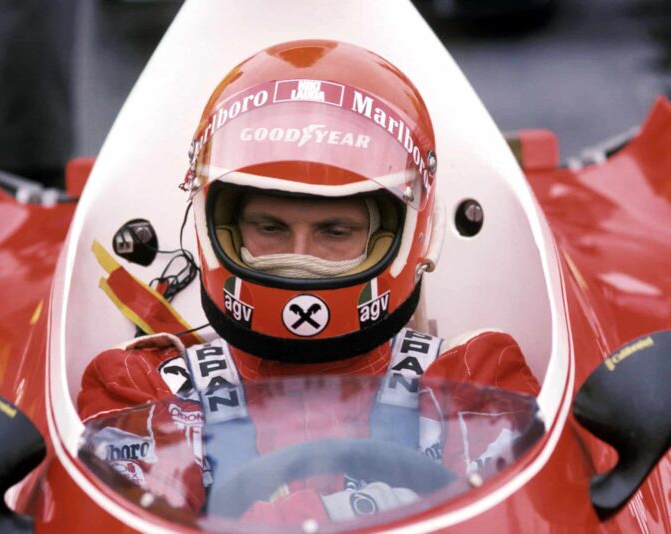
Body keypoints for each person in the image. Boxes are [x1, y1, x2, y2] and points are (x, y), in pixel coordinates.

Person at [78, 40, 540, 523]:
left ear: (406, 235)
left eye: (335, 232)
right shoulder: (144, 387)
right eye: (271, 228)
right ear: (221, 229)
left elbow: (517, 522)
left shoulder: (475, 375)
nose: (300, 258)